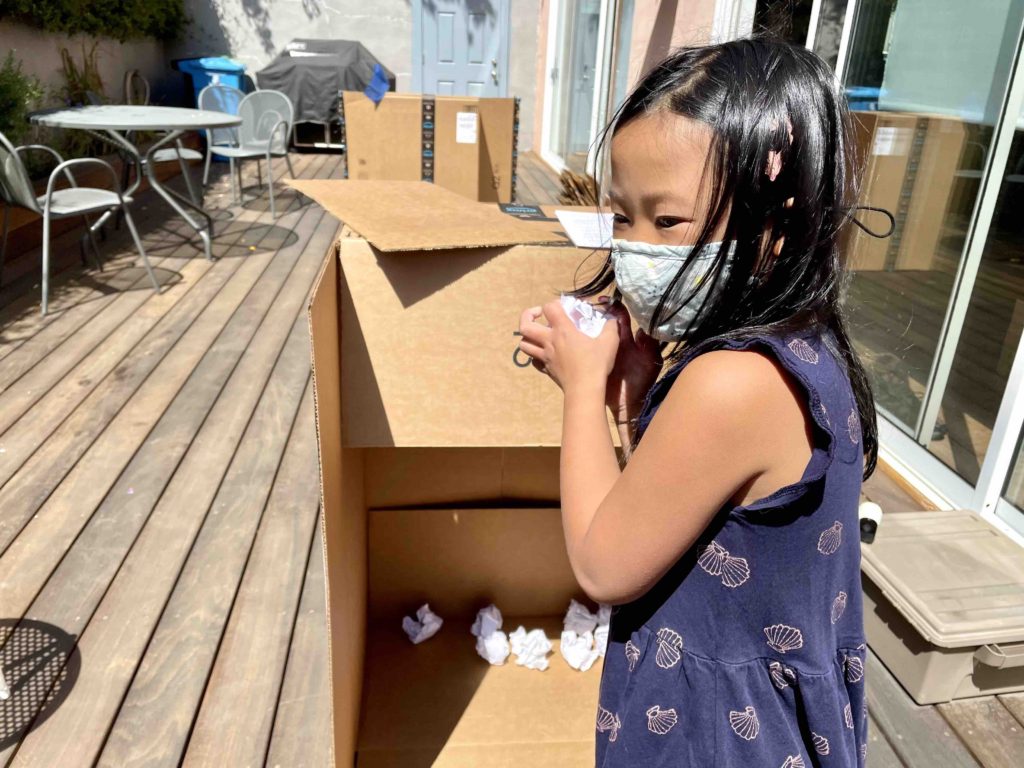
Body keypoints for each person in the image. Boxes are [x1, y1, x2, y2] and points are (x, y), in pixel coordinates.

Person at [517, 39, 876, 767]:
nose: (637, 248)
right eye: (622, 217)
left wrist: (584, 391)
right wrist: (638, 401)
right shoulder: (805, 345)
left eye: (668, 222)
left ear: (777, 217)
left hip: (716, 734)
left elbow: (602, 565)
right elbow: (680, 510)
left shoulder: (730, 382)